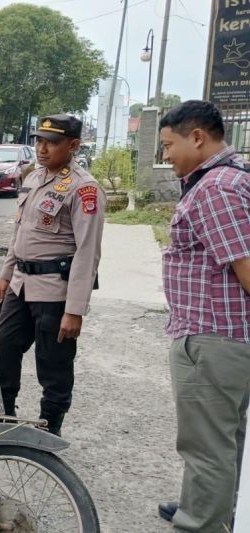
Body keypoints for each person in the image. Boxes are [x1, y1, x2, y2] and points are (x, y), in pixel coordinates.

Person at [155, 100, 250, 533]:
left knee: (206, 446)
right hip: (223, 336)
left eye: (169, 145)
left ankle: (201, 523)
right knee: (223, 439)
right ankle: (208, 507)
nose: (166, 155)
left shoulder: (215, 189)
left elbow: (245, 267)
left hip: (212, 337)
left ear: (197, 138)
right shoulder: (233, 179)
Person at [0, 114, 105, 437]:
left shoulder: (84, 189)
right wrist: (4, 275)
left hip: (55, 293)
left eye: (51, 142)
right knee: (4, 344)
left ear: (73, 145)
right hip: (20, 284)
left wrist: (74, 310)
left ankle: (48, 430)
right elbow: (20, 232)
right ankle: (2, 418)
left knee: (53, 365)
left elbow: (87, 252)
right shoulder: (33, 178)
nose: (42, 148)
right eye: (39, 140)